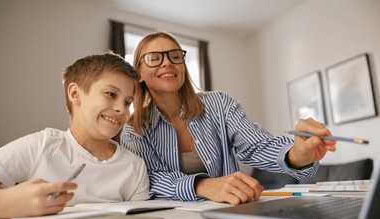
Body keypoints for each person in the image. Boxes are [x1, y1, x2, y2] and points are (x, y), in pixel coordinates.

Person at [121, 31, 336, 205]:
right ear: (138, 72)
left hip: (231, 215)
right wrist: (203, 185)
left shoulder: (219, 105)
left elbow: (256, 145)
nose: (167, 63)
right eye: (154, 58)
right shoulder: (134, 129)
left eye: (175, 56)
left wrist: (297, 155)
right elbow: (149, 181)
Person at [0, 52, 150, 219]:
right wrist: (3, 203)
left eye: (127, 102)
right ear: (75, 93)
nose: (121, 109)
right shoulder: (40, 146)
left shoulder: (135, 167)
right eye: (111, 94)